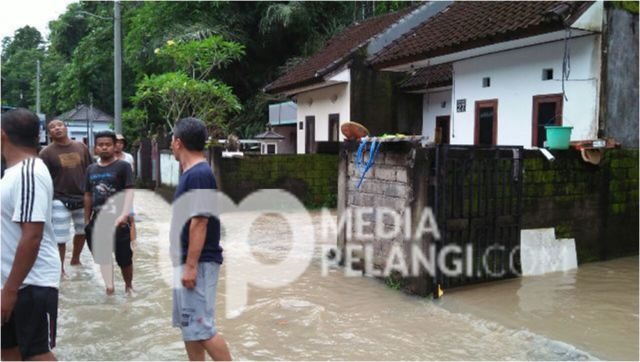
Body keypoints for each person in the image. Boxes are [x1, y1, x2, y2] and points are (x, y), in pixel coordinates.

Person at [0, 109, 60, 362]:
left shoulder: (28, 173)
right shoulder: (12, 174)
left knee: (37, 356)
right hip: (10, 282)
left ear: (1, 135)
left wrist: (10, 290)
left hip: (29, 284)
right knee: (8, 352)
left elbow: (32, 235)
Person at [170, 118, 231, 362]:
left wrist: (191, 267)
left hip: (198, 263)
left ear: (177, 143)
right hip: (188, 261)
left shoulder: (199, 174)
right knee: (190, 327)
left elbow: (200, 221)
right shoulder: (192, 173)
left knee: (202, 328)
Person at [39, 119, 93, 275]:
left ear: (66, 128)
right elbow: (44, 177)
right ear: (49, 133)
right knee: (60, 237)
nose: (57, 128)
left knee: (83, 231)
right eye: (52, 127)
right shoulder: (46, 153)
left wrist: (92, 194)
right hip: (58, 198)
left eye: (59, 125)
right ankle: (60, 268)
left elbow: (91, 170)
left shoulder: (81, 147)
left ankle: (75, 259)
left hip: (82, 196)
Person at [84, 131, 134, 295]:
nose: (104, 147)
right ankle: (110, 288)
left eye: (108, 144)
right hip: (98, 221)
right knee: (103, 257)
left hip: (118, 220)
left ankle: (128, 286)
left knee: (124, 258)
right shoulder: (91, 169)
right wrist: (86, 221)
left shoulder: (123, 166)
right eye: (100, 145)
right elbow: (88, 195)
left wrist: (125, 214)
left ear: (114, 147)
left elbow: (129, 191)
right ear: (95, 148)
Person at [114, 134, 137, 249]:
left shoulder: (128, 157)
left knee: (130, 217)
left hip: (126, 192)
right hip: (111, 193)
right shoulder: (105, 158)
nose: (118, 145)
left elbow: (131, 175)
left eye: (121, 143)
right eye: (116, 142)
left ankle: (133, 243)